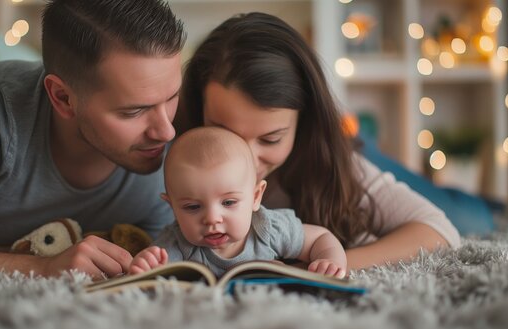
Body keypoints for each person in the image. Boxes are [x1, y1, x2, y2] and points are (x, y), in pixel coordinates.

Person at [0, 0, 186, 278]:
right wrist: (41, 267)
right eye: (134, 111)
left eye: (172, 96)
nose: (166, 132)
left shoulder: (190, 128)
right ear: (62, 98)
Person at [176, 12, 461, 270]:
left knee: (470, 215)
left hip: (349, 148)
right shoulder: (176, 162)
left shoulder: (330, 162)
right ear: (198, 110)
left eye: (270, 139)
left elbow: (439, 230)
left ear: (303, 123)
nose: (248, 160)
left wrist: (329, 265)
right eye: (228, 135)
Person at [129, 127, 347, 278]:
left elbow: (320, 237)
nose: (212, 218)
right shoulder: (177, 244)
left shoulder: (268, 228)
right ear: (173, 207)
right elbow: (150, 274)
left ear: (255, 197)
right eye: (193, 207)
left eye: (229, 202)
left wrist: (330, 261)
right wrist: (145, 264)